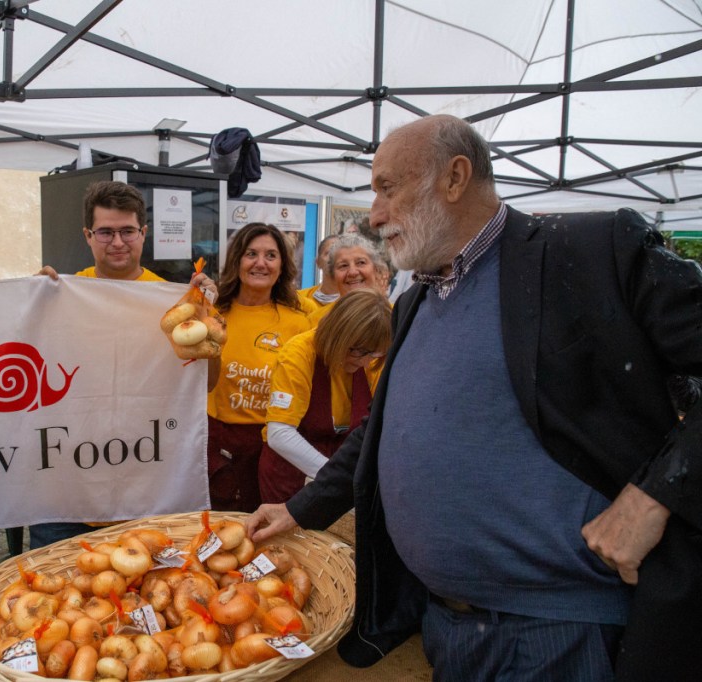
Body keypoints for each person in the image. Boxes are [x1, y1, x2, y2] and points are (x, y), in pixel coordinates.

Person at [246, 114, 702, 681]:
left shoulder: (591, 251)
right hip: (446, 626)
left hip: (560, 631)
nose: (375, 214)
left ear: (455, 178)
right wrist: (300, 508)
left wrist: (654, 497)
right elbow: (380, 430)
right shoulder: (414, 303)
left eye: (388, 188)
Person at [34, 180, 216, 547]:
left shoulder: (176, 304)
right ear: (88, 236)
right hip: (68, 493)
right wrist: (31, 301)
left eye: (127, 231)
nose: (117, 242)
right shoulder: (59, 294)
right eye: (105, 232)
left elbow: (207, 383)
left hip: (147, 490)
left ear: (143, 233)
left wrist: (207, 322)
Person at [207, 222, 311, 512]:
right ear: (237, 261)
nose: (261, 263)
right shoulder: (214, 314)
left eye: (271, 255)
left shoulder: (298, 323)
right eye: (251, 254)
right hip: (220, 441)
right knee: (222, 524)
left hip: (274, 445)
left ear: (282, 266)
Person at [258, 288, 391, 503]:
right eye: (358, 351)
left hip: (339, 475)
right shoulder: (298, 354)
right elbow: (279, 433)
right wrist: (336, 477)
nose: (365, 362)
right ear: (338, 335)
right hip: (290, 476)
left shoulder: (370, 359)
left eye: (374, 353)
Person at [306, 233, 390, 326]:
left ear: (376, 268)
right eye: (343, 266)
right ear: (333, 274)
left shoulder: (395, 315)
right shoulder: (317, 321)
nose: (352, 272)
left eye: (361, 263)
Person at [296, 234, 340, 312]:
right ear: (318, 262)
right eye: (329, 252)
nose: (334, 257)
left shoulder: (356, 302)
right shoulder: (299, 298)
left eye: (339, 253)